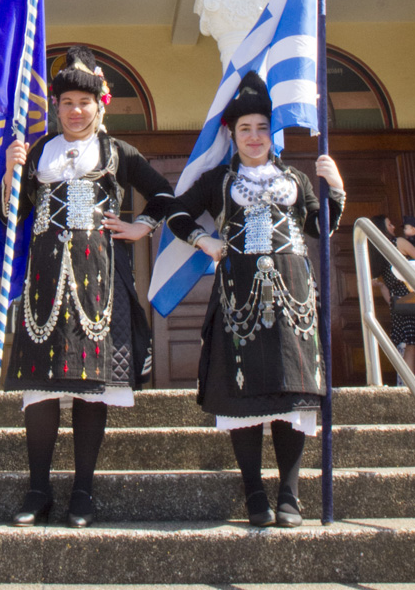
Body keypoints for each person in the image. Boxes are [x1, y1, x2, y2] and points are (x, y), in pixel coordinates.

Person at [113, 71, 346, 529]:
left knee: (291, 394)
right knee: (243, 401)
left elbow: (321, 228)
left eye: (262, 128)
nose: (255, 137)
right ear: (232, 134)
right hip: (238, 303)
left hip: (293, 301)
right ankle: (254, 492)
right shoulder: (220, 181)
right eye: (245, 129)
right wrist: (205, 241)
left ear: (270, 132)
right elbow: (178, 212)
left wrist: (334, 187)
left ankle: (290, 494)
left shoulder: (296, 179)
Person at [3, 45, 176, 529]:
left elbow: (164, 194)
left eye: (84, 102)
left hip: (99, 285)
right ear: (56, 108)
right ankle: (38, 489)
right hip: (42, 284)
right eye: (66, 104)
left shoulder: (119, 153)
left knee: (88, 390)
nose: (75, 111)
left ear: (100, 105)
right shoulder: (38, 152)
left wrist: (143, 225)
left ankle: (83, 489)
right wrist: (14, 173)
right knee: (38, 391)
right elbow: (11, 216)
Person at [372, 213, 415, 386]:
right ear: (382, 229)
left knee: (410, 345)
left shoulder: (376, 253)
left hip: (398, 302)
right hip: (414, 296)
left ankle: (409, 390)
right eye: (389, 224)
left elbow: (385, 287)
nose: (393, 227)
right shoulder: (398, 243)